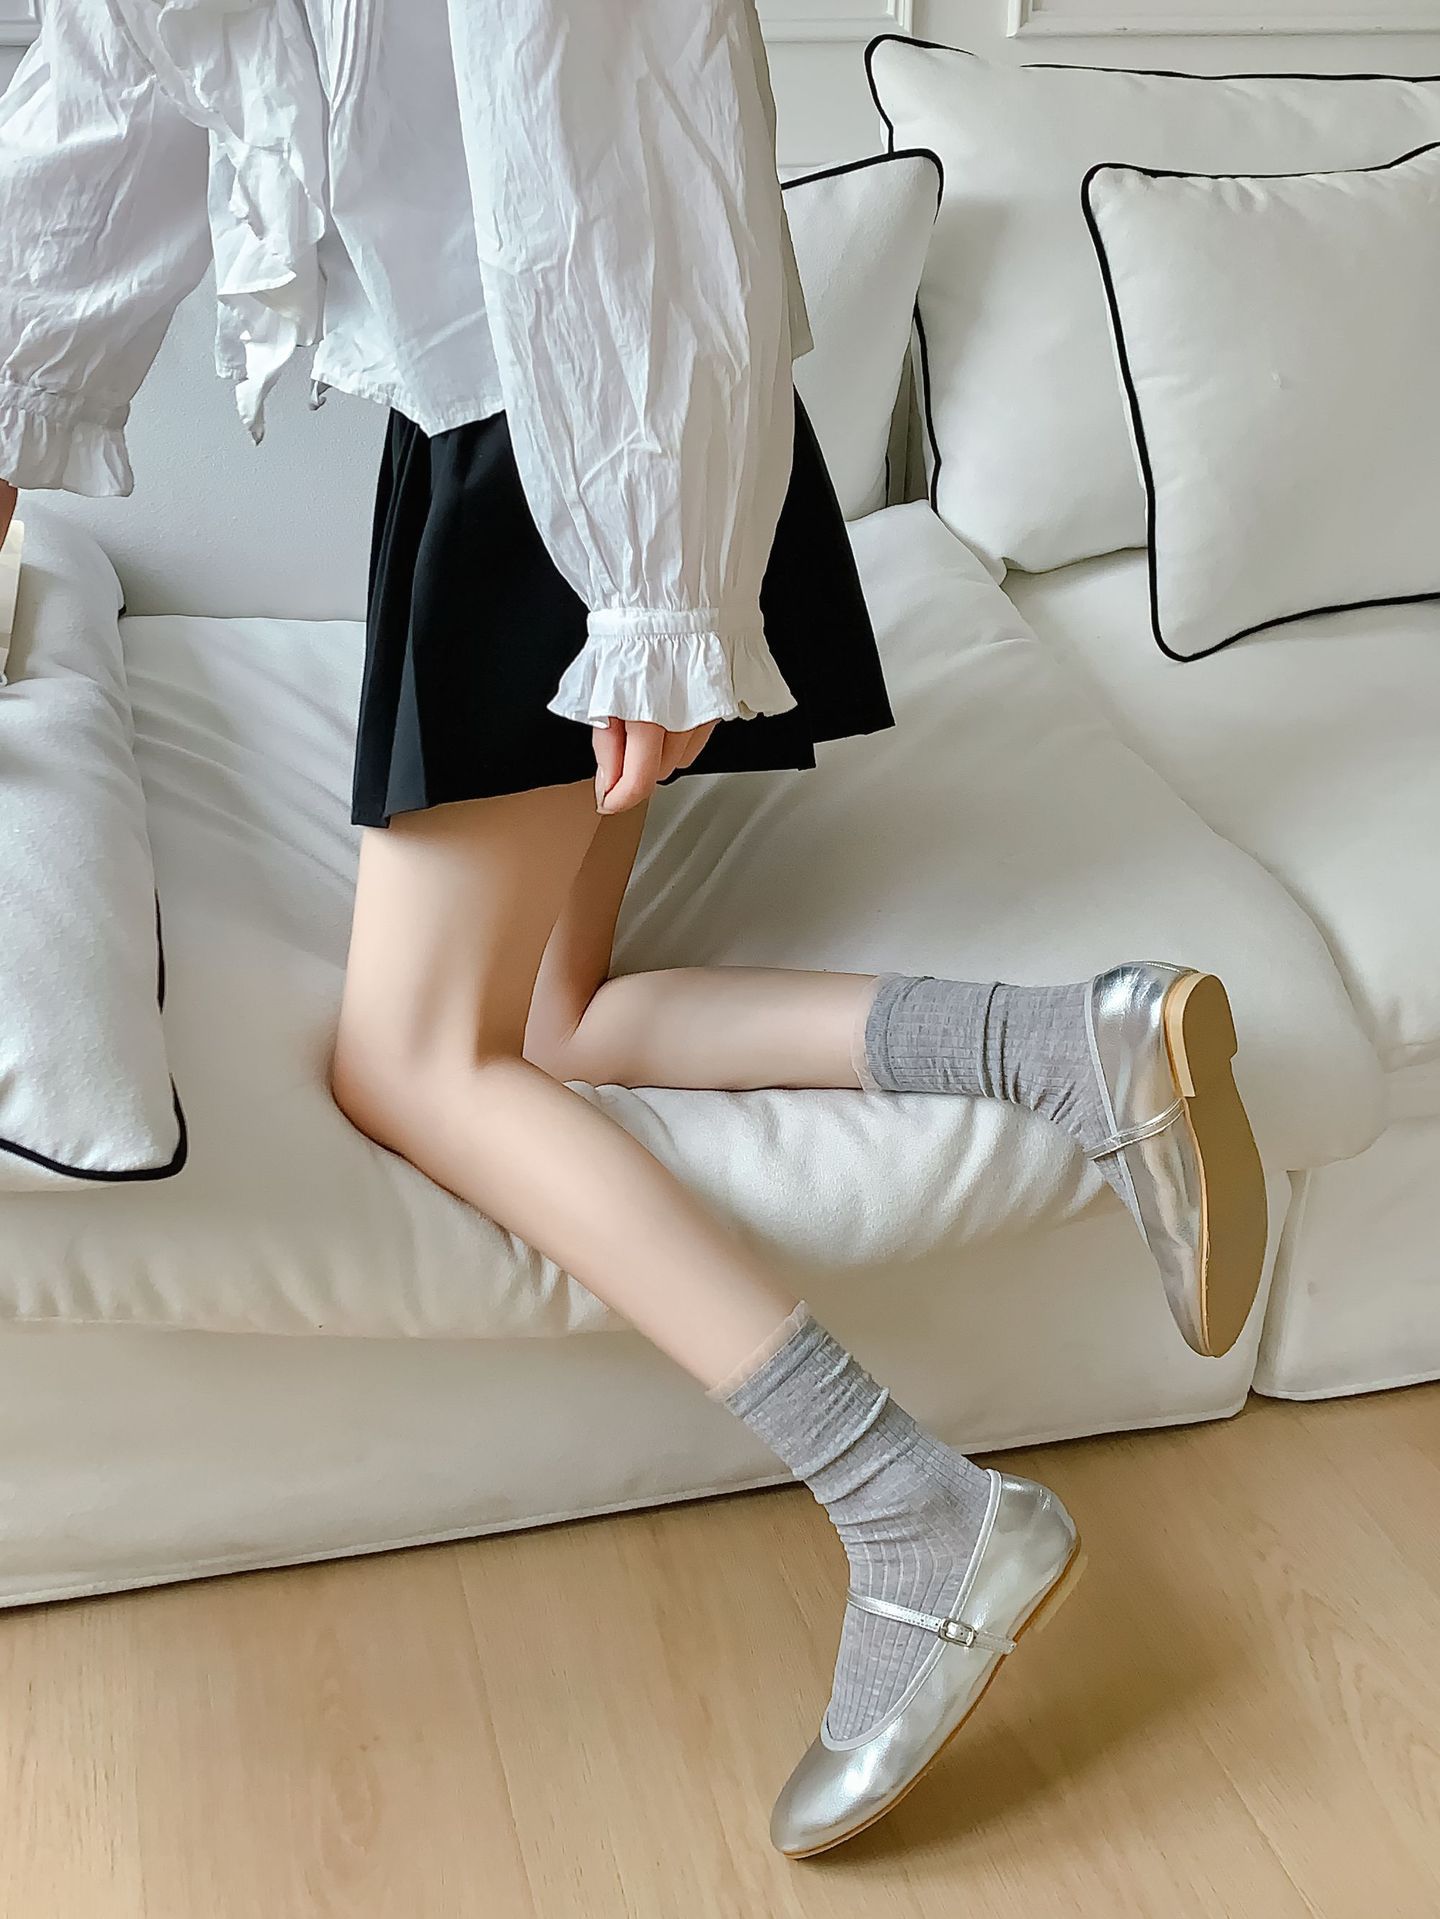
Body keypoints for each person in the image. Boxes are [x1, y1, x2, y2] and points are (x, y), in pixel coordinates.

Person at [0, 0, 1267, 1858]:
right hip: (572, 422)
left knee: (408, 1063)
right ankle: (1069, 1045)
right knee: (554, 1021)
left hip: (579, 436)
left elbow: (615, 110)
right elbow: (104, 100)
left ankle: (913, 1510)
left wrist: (656, 585)